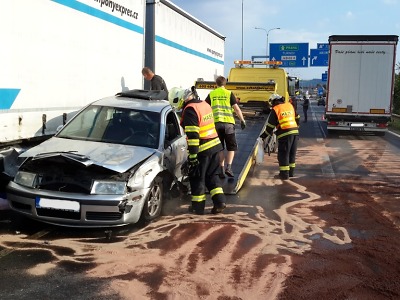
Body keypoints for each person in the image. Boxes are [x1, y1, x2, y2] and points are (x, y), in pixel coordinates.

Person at [179, 86, 226, 215]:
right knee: (212, 176)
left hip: (202, 150)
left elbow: (193, 136)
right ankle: (220, 202)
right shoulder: (204, 104)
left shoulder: (190, 110)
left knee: (197, 178)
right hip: (215, 146)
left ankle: (198, 208)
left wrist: (193, 156)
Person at [205, 76, 246, 178]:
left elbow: (205, 107)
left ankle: (221, 169)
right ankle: (229, 167)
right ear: (225, 84)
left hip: (216, 124)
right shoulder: (229, 94)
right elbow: (236, 109)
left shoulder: (212, 94)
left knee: (220, 148)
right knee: (231, 147)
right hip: (228, 125)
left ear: (216, 84)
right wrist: (242, 120)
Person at [260, 94, 300, 180]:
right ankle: (291, 173)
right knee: (292, 153)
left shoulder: (276, 109)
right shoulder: (289, 105)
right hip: (295, 132)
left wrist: (263, 135)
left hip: (285, 134)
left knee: (283, 154)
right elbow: (297, 116)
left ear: (274, 101)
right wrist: (297, 126)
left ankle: (284, 175)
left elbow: (270, 126)